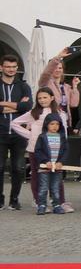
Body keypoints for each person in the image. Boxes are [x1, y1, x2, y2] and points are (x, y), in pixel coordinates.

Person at [11, 86, 62, 210]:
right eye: (39, 98)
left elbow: (62, 130)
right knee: (37, 175)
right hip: (35, 148)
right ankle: (38, 200)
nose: (42, 100)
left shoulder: (58, 113)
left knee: (53, 175)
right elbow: (14, 123)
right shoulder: (34, 113)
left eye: (45, 97)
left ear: (52, 98)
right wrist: (31, 135)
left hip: (53, 149)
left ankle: (54, 200)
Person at [0, 54, 33, 210]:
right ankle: (0, 200)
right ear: (1, 67)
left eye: (14, 67)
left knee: (18, 168)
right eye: (8, 66)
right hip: (0, 132)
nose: (11, 69)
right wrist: (17, 105)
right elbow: (21, 106)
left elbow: (27, 107)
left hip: (19, 133)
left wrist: (4, 104)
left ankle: (14, 200)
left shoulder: (23, 86)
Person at [33, 112, 67, 215]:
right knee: (43, 187)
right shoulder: (42, 137)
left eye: (57, 124)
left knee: (56, 187)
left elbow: (65, 151)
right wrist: (45, 161)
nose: (55, 126)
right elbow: (38, 151)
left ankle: (56, 205)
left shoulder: (62, 137)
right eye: (52, 124)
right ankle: (42, 205)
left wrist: (61, 162)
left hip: (57, 168)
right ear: (46, 124)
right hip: (44, 168)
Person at [39, 50, 79, 130]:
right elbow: (46, 73)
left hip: (64, 121)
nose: (58, 70)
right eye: (55, 68)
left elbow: (74, 104)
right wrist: (58, 57)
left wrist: (74, 87)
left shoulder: (66, 87)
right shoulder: (46, 82)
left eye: (60, 68)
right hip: (49, 120)